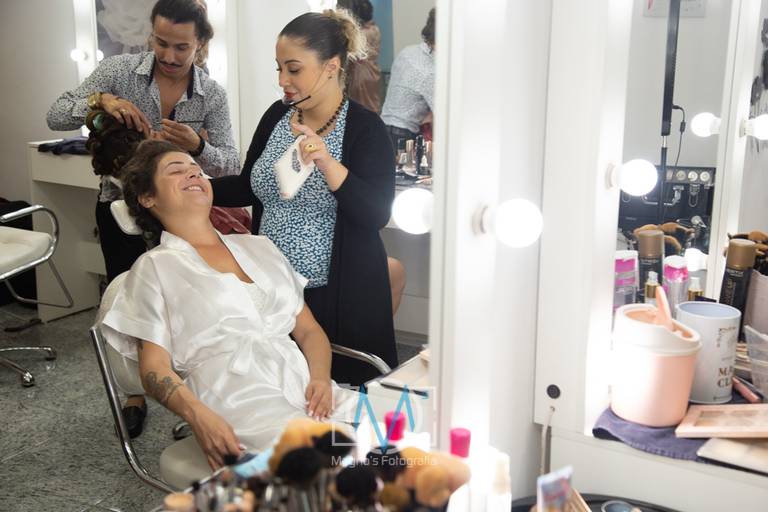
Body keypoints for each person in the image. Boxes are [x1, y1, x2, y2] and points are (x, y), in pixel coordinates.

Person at [101, 140, 360, 469]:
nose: (194, 174)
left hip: (305, 387)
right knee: (346, 461)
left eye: (197, 170)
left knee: (409, 426)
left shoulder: (260, 248)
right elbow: (154, 369)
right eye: (176, 170)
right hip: (237, 401)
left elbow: (308, 331)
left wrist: (321, 378)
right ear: (147, 197)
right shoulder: (154, 268)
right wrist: (198, 416)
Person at [46, 0, 239, 439]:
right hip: (120, 210)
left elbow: (231, 163)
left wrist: (198, 147)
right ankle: (133, 394)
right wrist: (99, 101)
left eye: (181, 47)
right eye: (161, 42)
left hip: (178, 216)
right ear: (150, 35)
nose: (169, 56)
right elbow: (56, 114)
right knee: (128, 301)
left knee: (187, 304)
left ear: (200, 44)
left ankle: (197, 395)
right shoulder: (119, 72)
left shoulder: (212, 95)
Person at [211, 10, 398, 386]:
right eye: (279, 68)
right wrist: (201, 188)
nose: (283, 80)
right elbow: (250, 185)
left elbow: (375, 213)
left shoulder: (365, 129)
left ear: (331, 66)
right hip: (271, 287)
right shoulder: (276, 117)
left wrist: (327, 162)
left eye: (294, 69)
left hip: (334, 294)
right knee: (275, 390)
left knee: (329, 396)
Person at [380, 8, 436, 150]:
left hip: (382, 127)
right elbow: (444, 114)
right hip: (403, 136)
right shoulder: (429, 72)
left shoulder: (406, 52)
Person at [337, 0, 382, 113]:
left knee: (362, 104)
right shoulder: (374, 28)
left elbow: (353, 52)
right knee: (371, 102)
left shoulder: (362, 33)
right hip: (371, 70)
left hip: (360, 72)